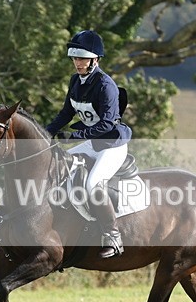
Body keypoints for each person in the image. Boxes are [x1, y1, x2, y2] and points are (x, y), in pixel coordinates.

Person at [45, 30, 132, 258]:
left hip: (111, 145)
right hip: (93, 143)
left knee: (93, 184)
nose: (77, 63)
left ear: (95, 59)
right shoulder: (75, 81)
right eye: (75, 58)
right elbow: (66, 113)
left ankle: (113, 236)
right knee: (58, 167)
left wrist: (73, 137)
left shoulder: (106, 86)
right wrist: (45, 134)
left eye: (82, 59)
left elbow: (107, 124)